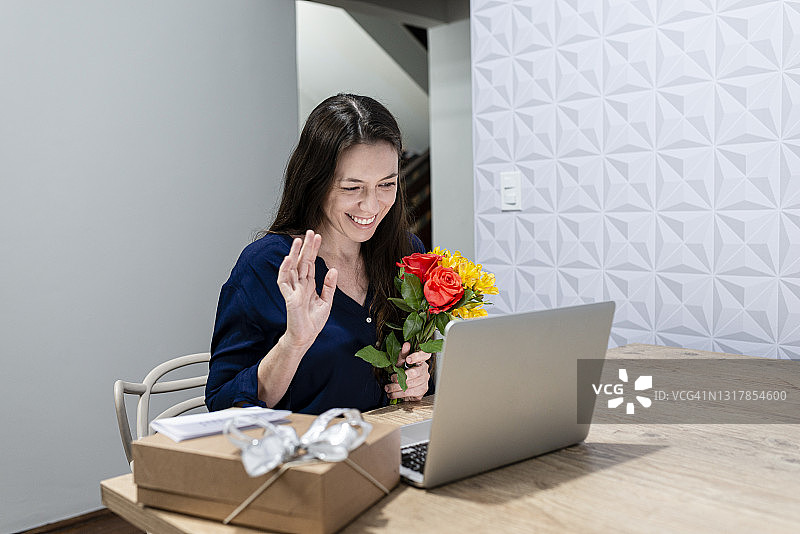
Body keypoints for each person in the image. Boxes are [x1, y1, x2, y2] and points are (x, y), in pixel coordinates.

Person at [205, 94, 433, 415]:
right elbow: (222, 404)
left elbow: (418, 372)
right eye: (352, 188)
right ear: (316, 182)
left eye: (386, 184)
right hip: (303, 446)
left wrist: (418, 380)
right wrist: (293, 344)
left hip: (388, 439)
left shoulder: (408, 254)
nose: (371, 205)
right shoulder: (266, 265)